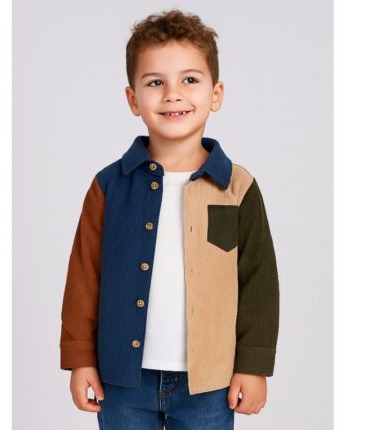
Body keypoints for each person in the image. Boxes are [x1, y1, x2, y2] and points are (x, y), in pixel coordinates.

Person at [59, 8, 280, 430]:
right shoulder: (109, 186)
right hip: (122, 379)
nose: (173, 94)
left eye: (190, 80)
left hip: (209, 382)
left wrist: (253, 366)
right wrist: (80, 359)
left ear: (216, 94)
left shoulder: (238, 188)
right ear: (133, 99)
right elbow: (84, 277)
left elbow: (259, 285)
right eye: (155, 82)